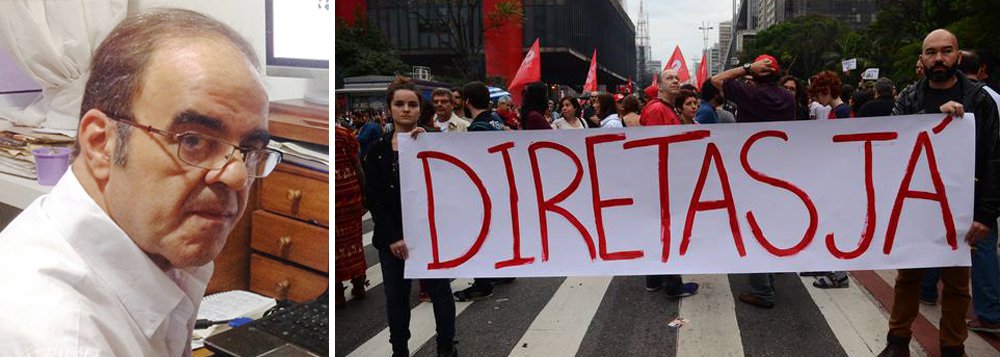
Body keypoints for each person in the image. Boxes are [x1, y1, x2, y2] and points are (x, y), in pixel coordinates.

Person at [0, 9, 281, 355]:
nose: (237, 176)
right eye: (193, 140)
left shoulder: (148, 249)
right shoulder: (63, 338)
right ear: (101, 143)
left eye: (251, 150)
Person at [877, 29, 1000, 357]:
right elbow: (892, 138)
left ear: (958, 57)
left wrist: (986, 214)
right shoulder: (909, 97)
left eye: (946, 51)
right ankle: (897, 341)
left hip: (962, 209)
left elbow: (993, 158)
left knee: (958, 285)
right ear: (922, 59)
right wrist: (930, 120)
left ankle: (952, 346)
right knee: (908, 278)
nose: (939, 58)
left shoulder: (980, 100)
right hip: (916, 206)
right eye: (931, 52)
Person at [364, 77, 458, 357]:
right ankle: (400, 349)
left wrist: (426, 144)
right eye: (399, 104)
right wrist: (393, 237)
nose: (406, 109)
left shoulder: (435, 143)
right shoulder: (377, 151)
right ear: (390, 108)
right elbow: (375, 199)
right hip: (393, 240)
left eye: (412, 104)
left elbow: (450, 187)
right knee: (396, 299)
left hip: (431, 236)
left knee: (441, 293)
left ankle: (446, 347)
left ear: (420, 109)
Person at [711, 53, 795, 309]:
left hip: (751, 170)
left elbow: (716, 79)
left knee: (753, 229)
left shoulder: (750, 94)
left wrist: (747, 67)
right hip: (781, 171)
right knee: (770, 227)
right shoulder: (789, 98)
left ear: (755, 75)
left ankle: (762, 290)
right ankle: (768, 279)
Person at [639, 68, 700, 298]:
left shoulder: (666, 108)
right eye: (669, 78)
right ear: (660, 85)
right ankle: (673, 285)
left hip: (665, 178)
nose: (675, 81)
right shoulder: (657, 109)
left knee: (661, 229)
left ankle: (654, 279)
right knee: (668, 230)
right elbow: (657, 149)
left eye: (677, 78)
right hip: (663, 179)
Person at [453, 81, 515, 301]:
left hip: (485, 190)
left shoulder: (477, 127)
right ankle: (503, 271)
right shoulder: (495, 120)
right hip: (500, 186)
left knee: (481, 234)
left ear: (467, 101)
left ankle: (482, 283)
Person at [335, 124, 368, 305]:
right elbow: (357, 165)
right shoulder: (344, 133)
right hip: (350, 196)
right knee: (354, 242)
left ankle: (337, 291)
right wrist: (364, 195)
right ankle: (358, 282)